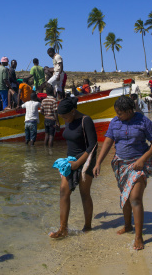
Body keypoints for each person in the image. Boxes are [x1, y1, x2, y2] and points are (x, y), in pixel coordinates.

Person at [93, 96, 152, 251]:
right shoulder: (115, 122)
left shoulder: (143, 121)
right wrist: (98, 163)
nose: (118, 115)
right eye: (116, 112)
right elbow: (108, 142)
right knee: (125, 195)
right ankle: (128, 226)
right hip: (120, 165)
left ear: (130, 111)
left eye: (121, 113)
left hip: (139, 165)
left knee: (135, 197)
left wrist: (143, 159)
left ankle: (139, 236)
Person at [49, 97, 97, 239]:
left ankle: (87, 226)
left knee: (84, 193)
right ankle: (63, 229)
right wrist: (70, 162)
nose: (64, 120)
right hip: (70, 161)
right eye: (61, 117)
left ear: (73, 111)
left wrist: (78, 163)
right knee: (64, 192)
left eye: (65, 116)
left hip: (85, 160)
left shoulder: (85, 120)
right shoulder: (68, 119)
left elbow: (93, 146)